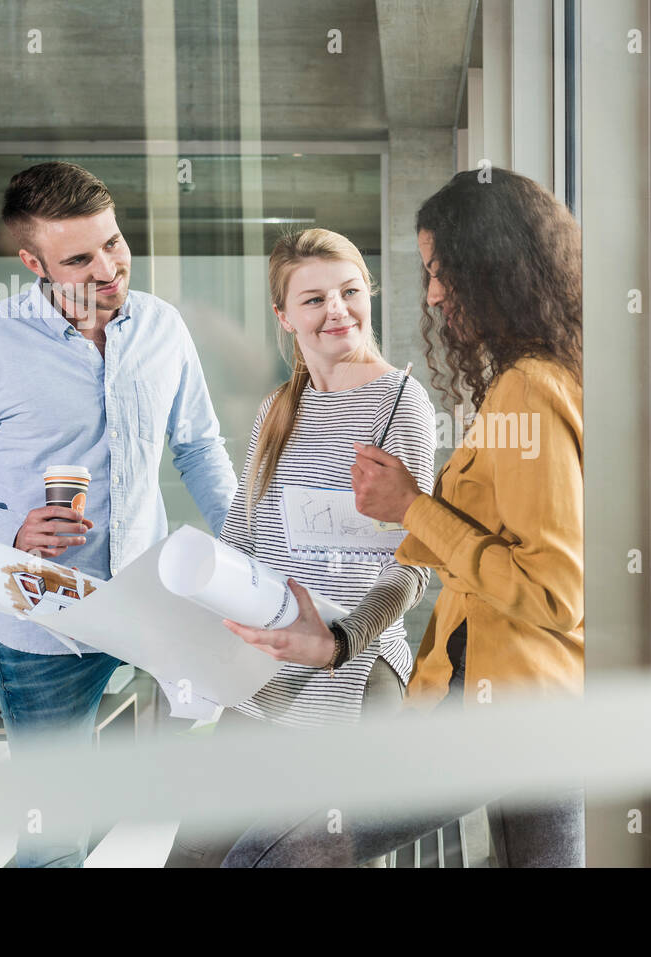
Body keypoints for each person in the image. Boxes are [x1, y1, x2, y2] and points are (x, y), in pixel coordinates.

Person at [222, 167, 585, 867]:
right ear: (284, 315)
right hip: (513, 699)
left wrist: (414, 509)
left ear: (493, 267)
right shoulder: (539, 379)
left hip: (504, 702)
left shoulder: (524, 390)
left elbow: (552, 590)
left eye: (443, 270)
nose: (434, 293)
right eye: (429, 272)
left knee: (266, 855)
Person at [0, 161, 237, 867]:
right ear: (32, 262)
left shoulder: (162, 328)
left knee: (208, 789)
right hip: (41, 624)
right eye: (80, 258)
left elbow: (199, 446)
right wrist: (5, 529)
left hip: (150, 603)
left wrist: (246, 550)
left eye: (113, 243)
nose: (109, 268)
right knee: (52, 835)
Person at [163, 228, 436, 867]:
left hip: (355, 667)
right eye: (313, 300)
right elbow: (244, 535)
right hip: (270, 665)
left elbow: (414, 562)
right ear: (284, 317)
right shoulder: (276, 410)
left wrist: (340, 641)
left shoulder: (403, 403)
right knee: (194, 855)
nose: (336, 310)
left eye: (348, 291)